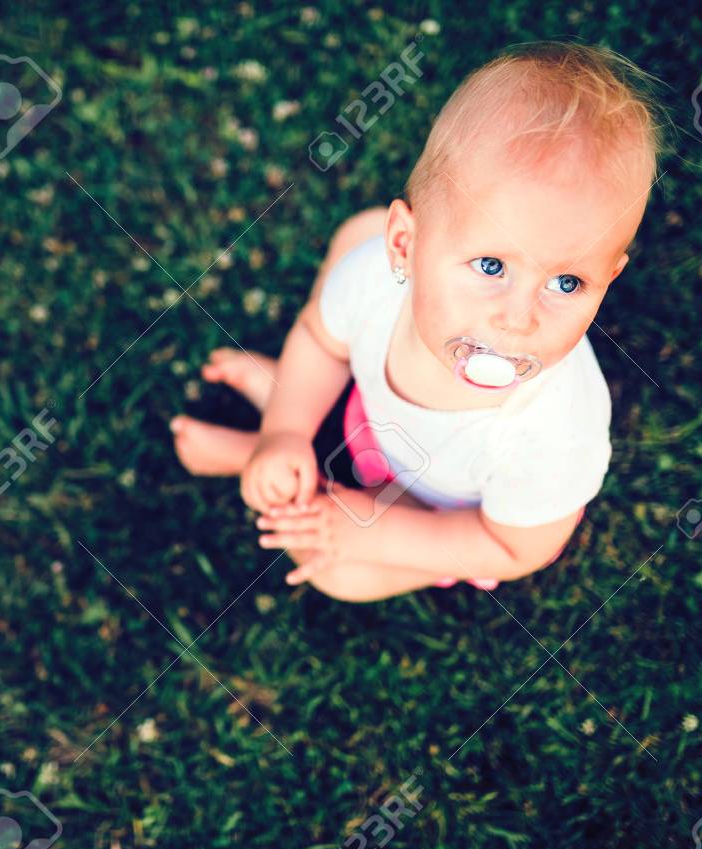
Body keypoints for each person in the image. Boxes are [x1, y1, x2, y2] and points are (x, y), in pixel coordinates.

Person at [171, 41, 669, 602]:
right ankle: (287, 434)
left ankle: (275, 462)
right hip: (377, 430)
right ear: (405, 246)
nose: (518, 318)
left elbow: (514, 548)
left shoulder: (554, 430)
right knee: (356, 240)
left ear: (610, 275)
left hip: (445, 512)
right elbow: (320, 339)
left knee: (339, 570)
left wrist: (381, 532)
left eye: (568, 283)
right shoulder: (377, 283)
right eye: (490, 265)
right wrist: (288, 429)